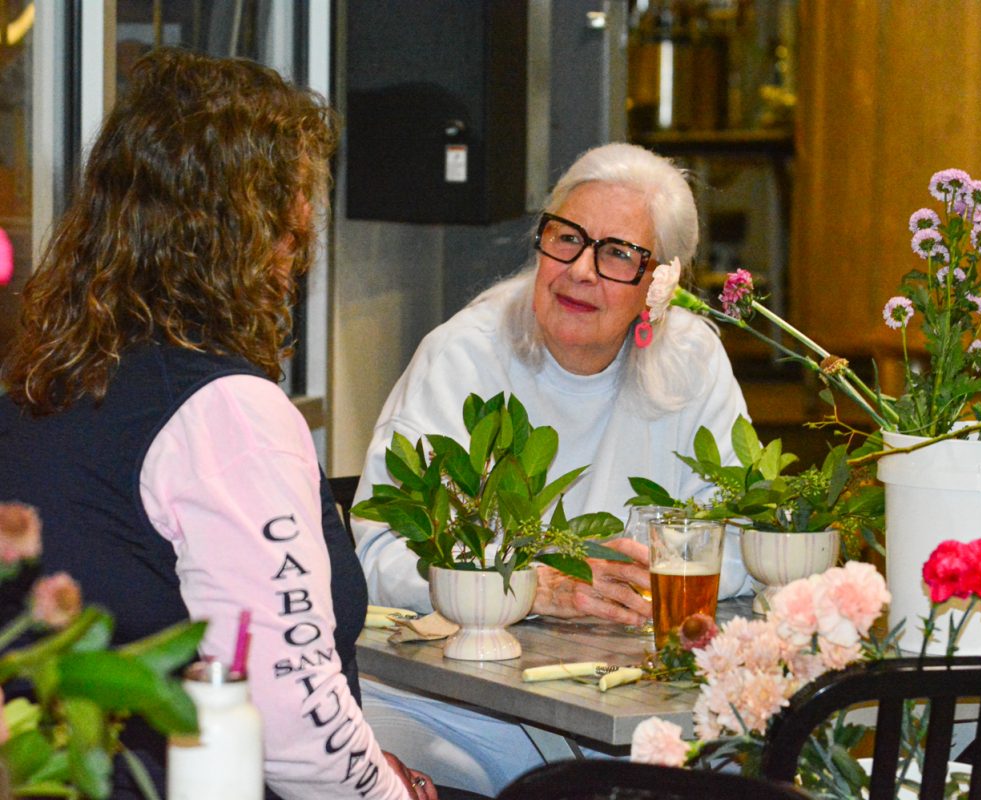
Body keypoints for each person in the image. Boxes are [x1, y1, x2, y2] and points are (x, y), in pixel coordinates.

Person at [0, 48, 455, 800]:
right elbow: (289, 728)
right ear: (249, 226)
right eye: (295, 200)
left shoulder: (46, 377)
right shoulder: (227, 413)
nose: (304, 229)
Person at [351, 142, 752, 795]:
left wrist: (654, 569)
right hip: (461, 717)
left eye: (619, 253)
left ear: (659, 284)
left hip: (636, 720)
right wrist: (529, 585)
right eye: (566, 238)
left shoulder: (692, 360)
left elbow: (745, 534)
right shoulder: (462, 356)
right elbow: (379, 556)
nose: (581, 271)